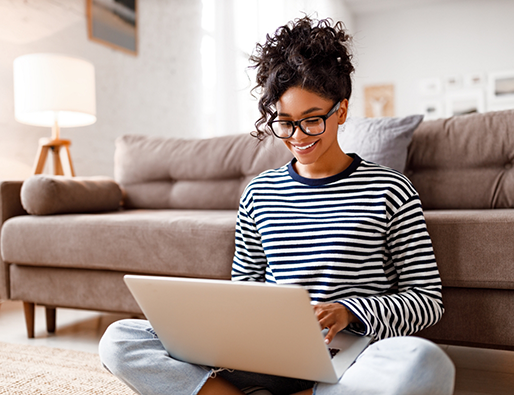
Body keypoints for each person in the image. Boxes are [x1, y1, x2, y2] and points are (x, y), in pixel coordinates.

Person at [99, 16, 455, 395]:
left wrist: (351, 311)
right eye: (284, 123)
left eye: (312, 120)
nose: (298, 137)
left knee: (423, 362)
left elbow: (427, 300)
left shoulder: (390, 189)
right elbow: (243, 290)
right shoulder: (259, 193)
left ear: (342, 111)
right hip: (264, 355)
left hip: (351, 357)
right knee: (119, 339)